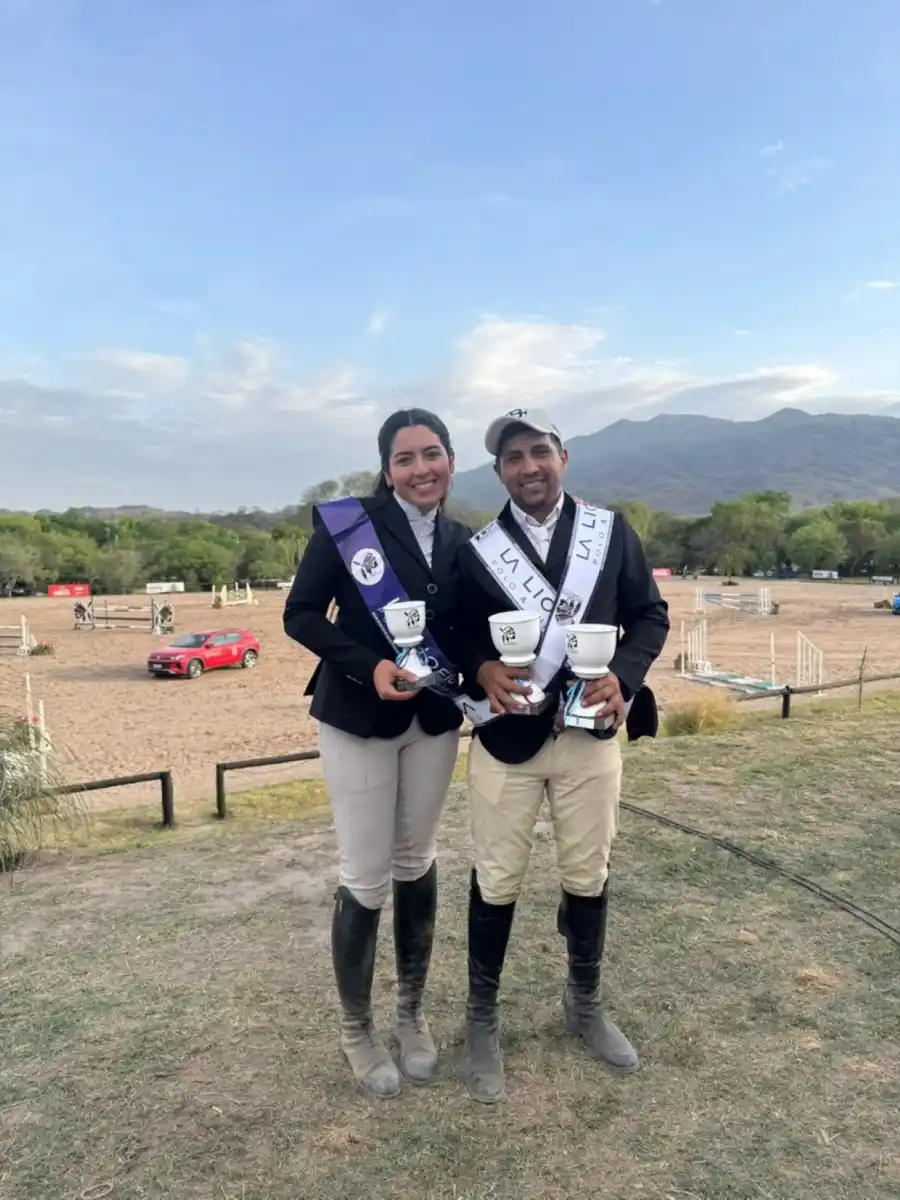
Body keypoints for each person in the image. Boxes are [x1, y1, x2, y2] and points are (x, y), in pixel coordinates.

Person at [453, 407, 670, 1104]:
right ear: (499, 472)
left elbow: (650, 615)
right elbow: (453, 631)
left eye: (539, 452)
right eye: (513, 457)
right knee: (496, 880)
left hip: (589, 736)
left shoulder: (610, 532)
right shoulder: (478, 549)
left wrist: (624, 677)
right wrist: (481, 667)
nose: (529, 467)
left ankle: (584, 1003)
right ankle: (482, 1019)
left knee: (587, 872)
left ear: (563, 458)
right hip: (506, 737)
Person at [283, 409, 473, 1100]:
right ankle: (356, 1029)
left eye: (433, 453)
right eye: (405, 458)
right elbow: (300, 615)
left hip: (434, 720)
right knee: (364, 876)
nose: (422, 468)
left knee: (416, 861)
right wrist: (369, 666)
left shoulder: (462, 539)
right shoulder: (349, 527)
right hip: (358, 718)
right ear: (387, 469)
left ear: (450, 460)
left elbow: (470, 631)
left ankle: (410, 1012)